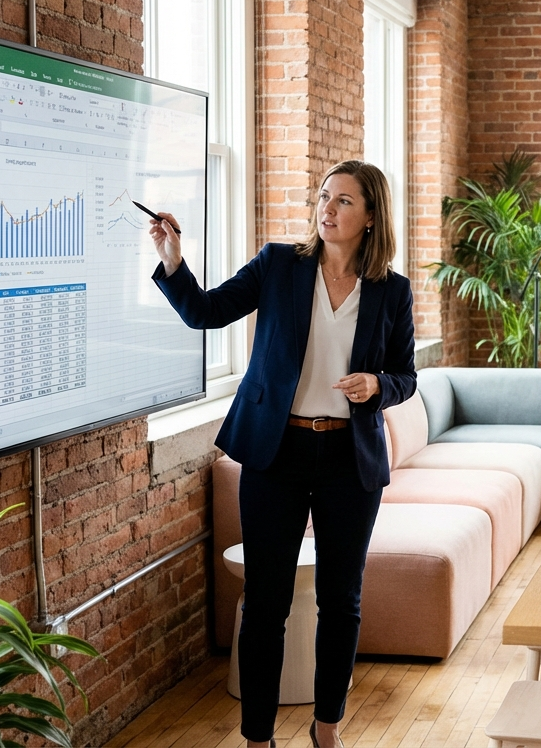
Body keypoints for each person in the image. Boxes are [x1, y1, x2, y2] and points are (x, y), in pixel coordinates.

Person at [149, 161, 416, 748]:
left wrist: (378, 384)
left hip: (349, 458)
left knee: (341, 603)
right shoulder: (278, 265)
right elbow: (205, 312)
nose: (328, 208)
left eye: (344, 201)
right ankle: (257, 739)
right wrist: (173, 260)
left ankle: (327, 728)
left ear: (371, 217)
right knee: (266, 605)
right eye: (324, 196)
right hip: (277, 453)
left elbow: (406, 376)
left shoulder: (391, 291)